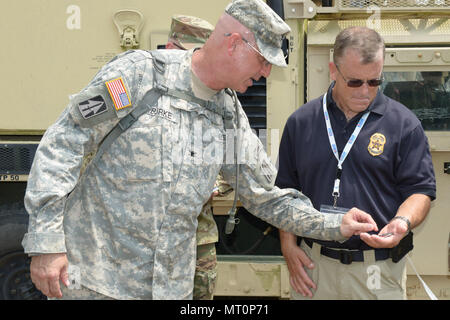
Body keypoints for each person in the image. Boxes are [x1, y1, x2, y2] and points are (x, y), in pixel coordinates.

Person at [22, 0, 377, 300]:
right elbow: (63, 144)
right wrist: (46, 243)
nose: (267, 73)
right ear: (235, 43)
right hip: (98, 283)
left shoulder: (227, 115)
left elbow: (264, 195)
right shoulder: (138, 76)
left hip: (170, 290)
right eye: (263, 60)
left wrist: (334, 224)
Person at [276, 26, 436, 300]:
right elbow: (285, 193)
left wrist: (402, 221)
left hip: (376, 270)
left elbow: (420, 190)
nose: (365, 91)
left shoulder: (404, 125)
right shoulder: (301, 122)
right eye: (354, 82)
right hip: (314, 269)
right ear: (333, 70)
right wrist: (288, 247)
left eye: (374, 82)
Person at [166, 14, 225, 300]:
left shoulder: (217, 102)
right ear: (168, 48)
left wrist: (215, 182)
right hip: (145, 239)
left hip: (199, 237)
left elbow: (235, 163)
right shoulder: (140, 91)